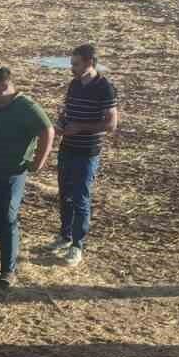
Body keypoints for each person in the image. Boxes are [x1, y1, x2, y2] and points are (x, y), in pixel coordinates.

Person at [0, 67, 54, 286]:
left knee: (6, 219)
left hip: (11, 173)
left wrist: (38, 162)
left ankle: (8, 269)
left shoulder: (27, 107)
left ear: (5, 87)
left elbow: (47, 130)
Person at [53, 43, 118, 266]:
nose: (72, 68)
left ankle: (77, 245)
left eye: (76, 64)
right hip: (67, 147)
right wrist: (61, 123)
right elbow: (68, 112)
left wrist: (80, 127)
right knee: (65, 195)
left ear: (90, 62)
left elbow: (111, 124)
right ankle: (65, 236)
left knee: (81, 198)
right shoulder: (74, 85)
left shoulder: (105, 88)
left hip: (87, 151)